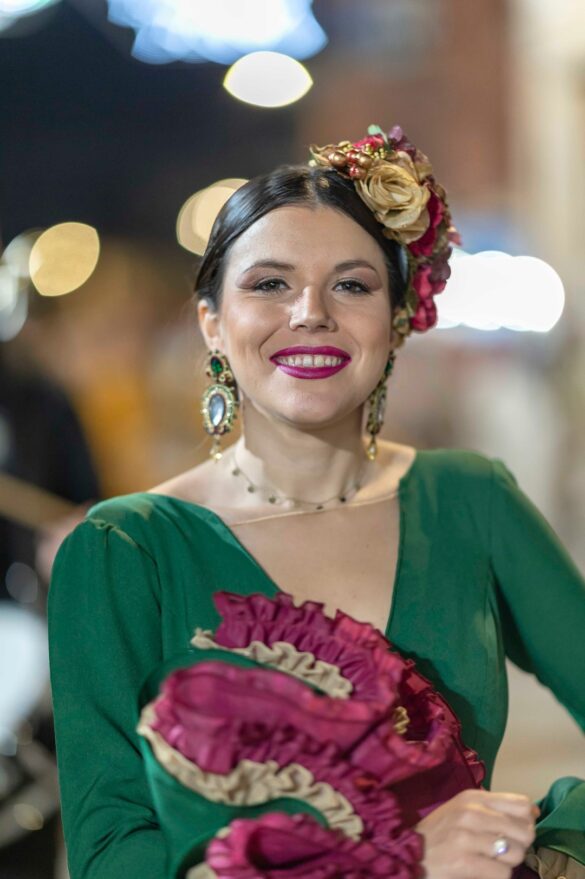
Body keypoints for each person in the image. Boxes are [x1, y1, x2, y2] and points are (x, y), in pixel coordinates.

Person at [48, 126, 585, 879]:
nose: (309, 312)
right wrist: (397, 862)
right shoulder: (125, 550)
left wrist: (529, 845)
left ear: (394, 323)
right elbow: (111, 855)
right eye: (269, 284)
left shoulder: (469, 500)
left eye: (352, 285)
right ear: (212, 323)